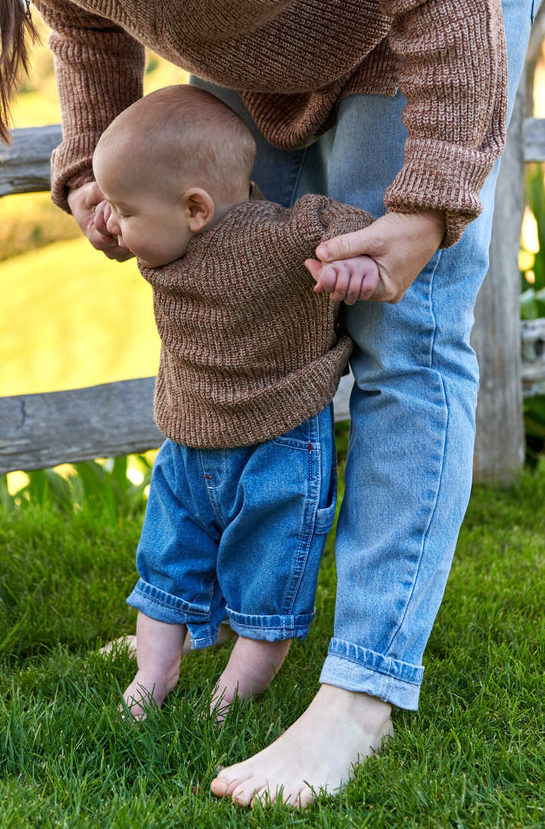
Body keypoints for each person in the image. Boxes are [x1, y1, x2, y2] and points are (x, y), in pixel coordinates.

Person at [0, 0, 544, 807]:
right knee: (248, 297)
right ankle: (227, 605)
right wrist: (93, 162)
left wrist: (427, 202)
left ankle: (360, 688)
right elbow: (85, 1)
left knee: (406, 328)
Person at [91, 84, 376, 722]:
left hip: (279, 444)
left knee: (268, 576)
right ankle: (152, 672)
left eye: (122, 210)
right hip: (188, 449)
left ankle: (229, 699)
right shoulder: (172, 239)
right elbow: (143, 220)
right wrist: (122, 206)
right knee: (167, 562)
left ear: (195, 208)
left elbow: (344, 223)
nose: (113, 224)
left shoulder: (280, 238)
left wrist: (358, 260)